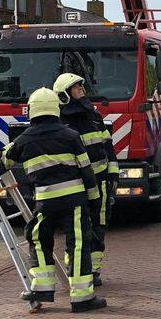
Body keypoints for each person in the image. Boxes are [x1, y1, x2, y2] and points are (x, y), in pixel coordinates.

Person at [0, 87, 105, 313]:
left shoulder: (23, 140)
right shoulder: (71, 136)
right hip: (74, 201)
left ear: (31, 111)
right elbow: (87, 171)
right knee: (79, 245)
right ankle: (82, 298)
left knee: (38, 239)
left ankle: (42, 289)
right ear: (56, 109)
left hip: (45, 200)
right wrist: (93, 201)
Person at [54, 73, 118, 287]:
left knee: (99, 227)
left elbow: (108, 146)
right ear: (64, 94)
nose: (81, 88)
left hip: (100, 183)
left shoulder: (94, 116)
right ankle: (76, 266)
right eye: (75, 86)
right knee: (78, 229)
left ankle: (94, 270)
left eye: (81, 85)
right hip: (76, 185)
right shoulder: (60, 121)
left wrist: (113, 174)